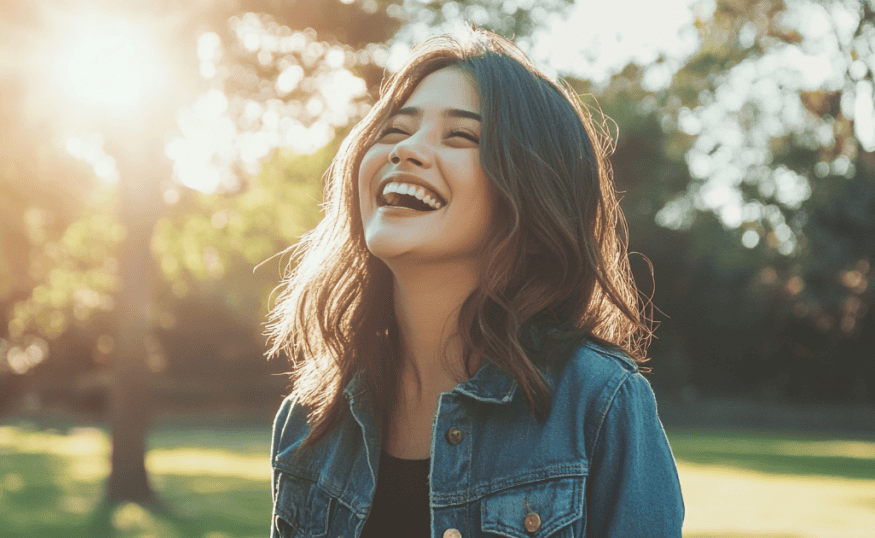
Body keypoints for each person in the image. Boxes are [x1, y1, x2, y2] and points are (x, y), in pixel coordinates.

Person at [265, 26, 684, 538]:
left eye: (460, 136)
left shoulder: (600, 405)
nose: (406, 151)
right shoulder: (309, 420)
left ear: (530, 192)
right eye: (395, 130)